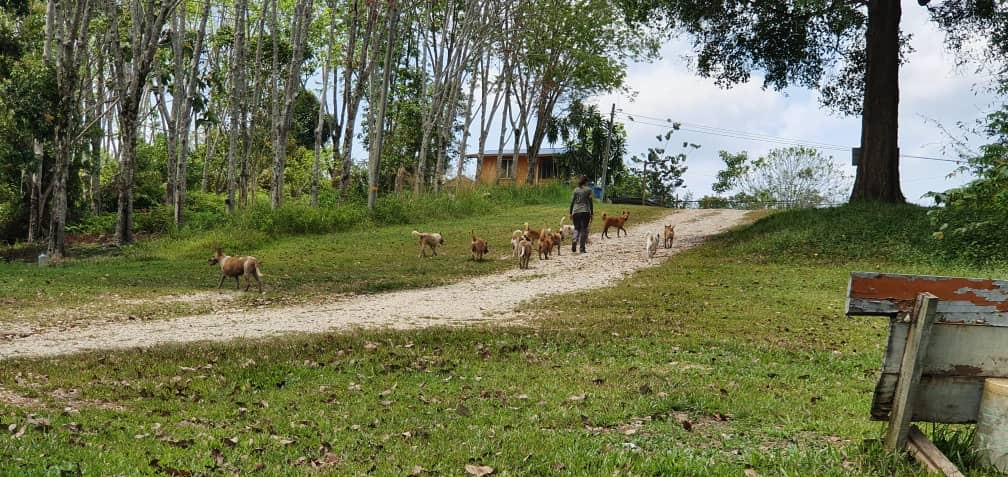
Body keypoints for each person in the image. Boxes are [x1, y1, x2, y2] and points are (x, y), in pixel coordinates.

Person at [569, 176, 593, 253]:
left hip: (575, 211)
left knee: (576, 228)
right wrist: (592, 212)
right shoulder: (589, 190)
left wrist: (570, 212)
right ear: (586, 182)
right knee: (584, 230)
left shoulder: (575, 190)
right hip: (585, 211)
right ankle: (582, 248)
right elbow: (590, 202)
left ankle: (575, 239)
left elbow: (572, 202)